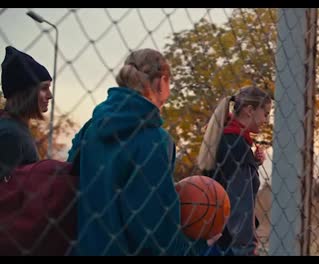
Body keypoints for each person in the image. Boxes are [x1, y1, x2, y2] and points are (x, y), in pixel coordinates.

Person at [67, 48, 217, 256]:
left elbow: (70, 174)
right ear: (162, 82)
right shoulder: (154, 139)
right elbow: (155, 229)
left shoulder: (91, 128)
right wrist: (198, 247)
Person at [197, 85, 272, 256]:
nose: (266, 120)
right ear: (250, 110)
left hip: (216, 238)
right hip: (230, 245)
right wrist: (246, 250)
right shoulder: (237, 147)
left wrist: (252, 164)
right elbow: (240, 208)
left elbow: (227, 181)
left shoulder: (225, 138)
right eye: (265, 114)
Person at [0, 46, 53, 180]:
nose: (50, 95)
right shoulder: (10, 134)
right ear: (27, 92)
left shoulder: (15, 128)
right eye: (44, 88)